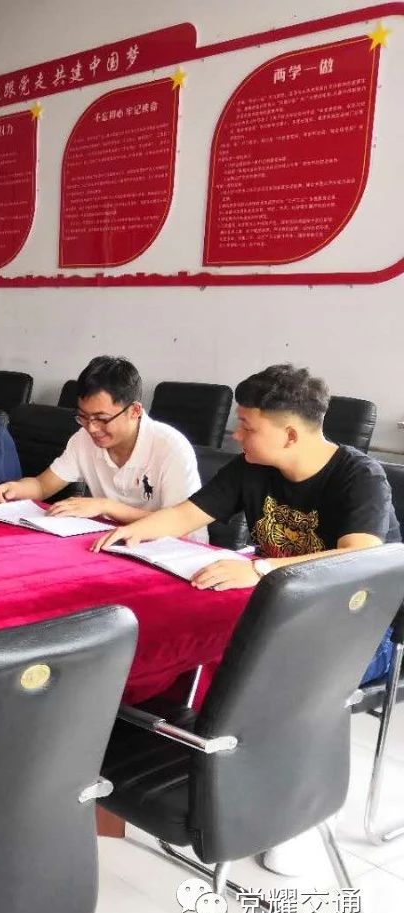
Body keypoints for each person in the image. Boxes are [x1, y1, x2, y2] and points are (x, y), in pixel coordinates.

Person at [94, 363, 400, 876]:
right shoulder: (252, 467)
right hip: (273, 613)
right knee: (187, 640)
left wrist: (258, 568)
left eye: (247, 426)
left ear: (290, 433)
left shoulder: (359, 476)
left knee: (261, 679)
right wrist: (134, 533)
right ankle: (213, 773)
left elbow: (360, 556)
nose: (237, 435)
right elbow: (187, 515)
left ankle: (298, 809)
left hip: (352, 631)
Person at [0, 355, 205, 540]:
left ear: (134, 411)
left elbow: (181, 526)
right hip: (115, 541)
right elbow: (42, 485)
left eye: (101, 419)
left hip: (175, 550)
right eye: (83, 417)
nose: (91, 428)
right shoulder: (83, 439)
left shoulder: (170, 447)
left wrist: (105, 506)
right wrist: (13, 489)